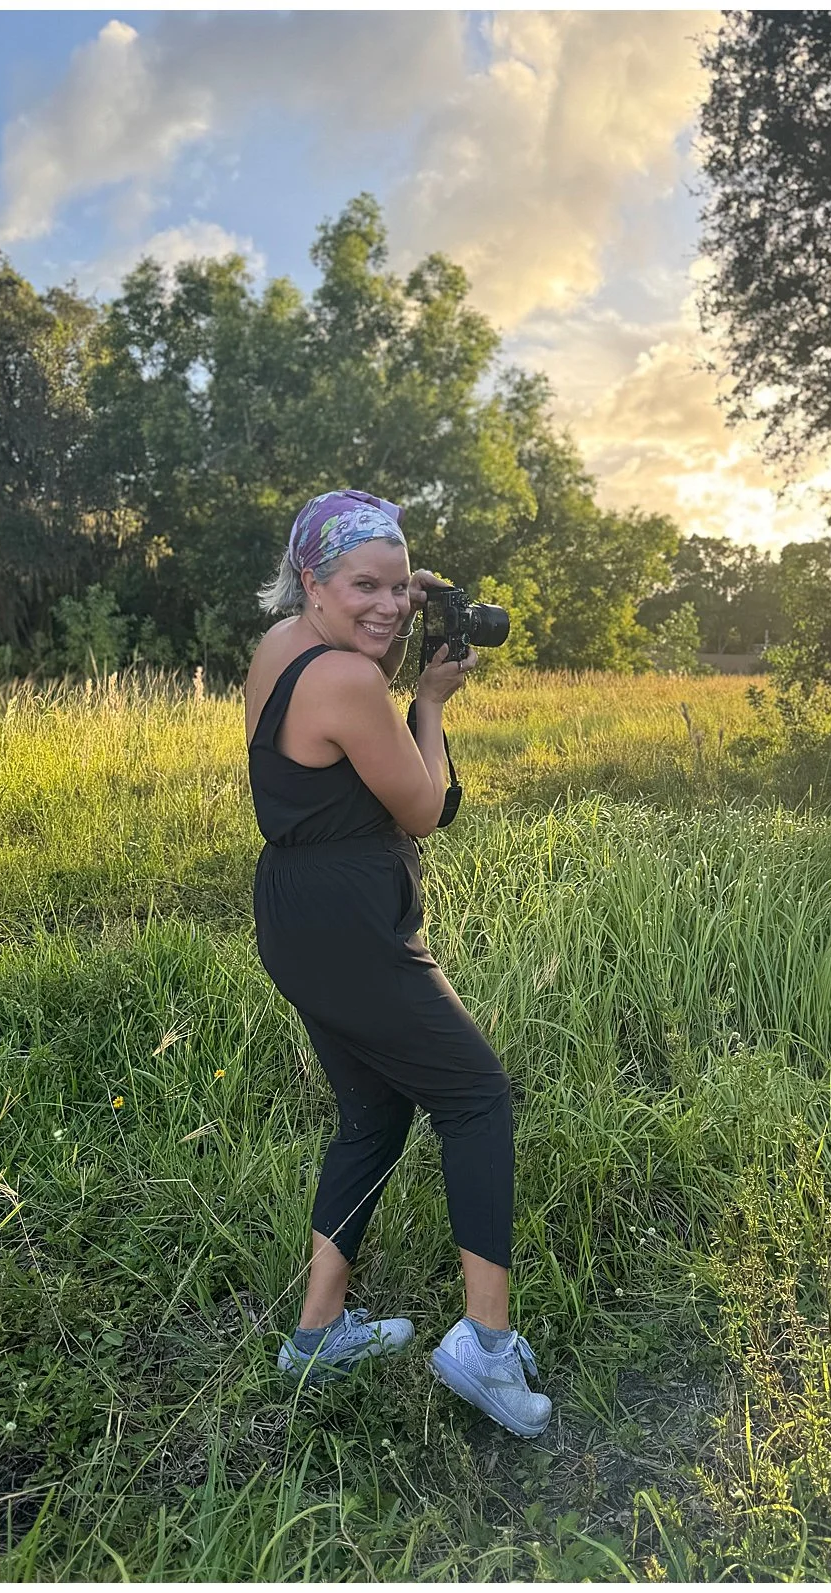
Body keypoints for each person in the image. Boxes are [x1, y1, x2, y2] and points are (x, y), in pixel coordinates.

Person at [245, 488, 551, 1438]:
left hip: (298, 909)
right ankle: (485, 1345)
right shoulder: (347, 679)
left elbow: (350, 660)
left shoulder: (282, 645)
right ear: (312, 579)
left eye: (399, 587)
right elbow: (423, 808)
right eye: (363, 586)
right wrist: (429, 699)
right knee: (476, 1096)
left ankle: (318, 1333)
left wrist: (396, 612)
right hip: (351, 924)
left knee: (374, 1112)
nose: (386, 606)